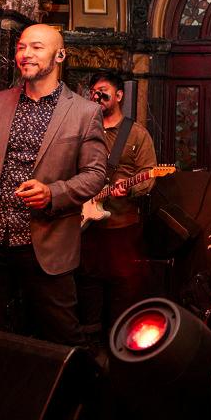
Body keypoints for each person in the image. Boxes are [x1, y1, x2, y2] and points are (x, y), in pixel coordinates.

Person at [0, 24, 107, 345]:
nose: (25, 54)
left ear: (60, 55)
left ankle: (71, 394)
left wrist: (52, 193)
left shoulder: (85, 112)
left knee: (60, 335)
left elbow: (95, 175)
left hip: (45, 241)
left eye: (37, 47)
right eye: (20, 47)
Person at [77, 71, 158, 346]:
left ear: (119, 95)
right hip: (86, 225)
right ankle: (90, 350)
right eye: (93, 92)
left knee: (122, 288)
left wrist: (130, 187)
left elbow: (149, 175)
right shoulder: (84, 129)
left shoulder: (136, 133)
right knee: (87, 286)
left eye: (103, 91)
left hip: (122, 226)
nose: (97, 96)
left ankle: (119, 346)